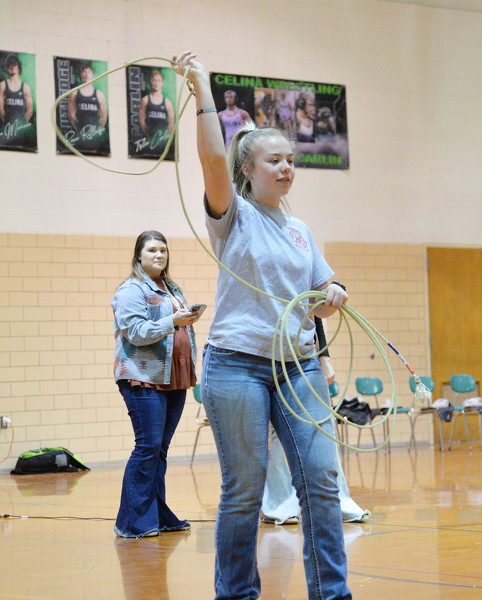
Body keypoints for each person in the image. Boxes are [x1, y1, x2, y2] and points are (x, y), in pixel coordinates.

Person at [173, 51, 352, 600]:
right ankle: (236, 594)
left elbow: (323, 297)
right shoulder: (233, 214)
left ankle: (332, 594)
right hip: (236, 366)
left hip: (298, 366)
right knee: (245, 491)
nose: (286, 167)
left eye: (291, 160)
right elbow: (211, 160)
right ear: (247, 169)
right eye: (273, 160)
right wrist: (202, 86)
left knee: (321, 483)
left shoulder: (300, 230)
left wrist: (334, 296)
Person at [112, 230, 202, 538]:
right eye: (152, 250)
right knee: (147, 446)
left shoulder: (172, 288)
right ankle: (132, 522)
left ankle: (157, 516)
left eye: (163, 249)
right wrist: (173, 321)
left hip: (174, 377)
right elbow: (136, 332)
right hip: (143, 376)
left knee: (159, 449)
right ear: (139, 255)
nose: (159, 255)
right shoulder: (131, 290)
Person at [261, 318, 371, 525]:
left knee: (320, 427)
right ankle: (279, 505)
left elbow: (313, 310)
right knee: (269, 434)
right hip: (259, 354)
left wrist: (324, 356)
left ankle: (337, 502)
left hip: (303, 355)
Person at [68, 63, 107, 133]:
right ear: (81, 74)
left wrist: (97, 131)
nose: (87, 75)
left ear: (92, 75)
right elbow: (71, 114)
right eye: (84, 72)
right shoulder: (74, 93)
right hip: (81, 132)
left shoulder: (100, 94)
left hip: (95, 133)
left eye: (89, 72)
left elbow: (104, 117)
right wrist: (79, 130)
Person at [138, 69, 175, 140]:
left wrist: (166, 137)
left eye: (158, 80)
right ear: (150, 82)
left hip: (163, 140)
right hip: (149, 140)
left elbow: (171, 123)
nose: (156, 83)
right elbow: (141, 120)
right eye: (154, 80)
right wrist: (147, 136)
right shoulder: (145, 100)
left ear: (162, 83)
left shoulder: (167, 102)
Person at [0, 54, 33, 126]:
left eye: (14, 64)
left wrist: (22, 124)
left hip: (21, 126)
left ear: (18, 67)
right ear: (7, 67)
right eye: (10, 64)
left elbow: (30, 110)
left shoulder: (26, 87)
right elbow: (0, 109)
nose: (12, 67)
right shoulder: (2, 85)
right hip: (7, 127)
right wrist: (6, 123)